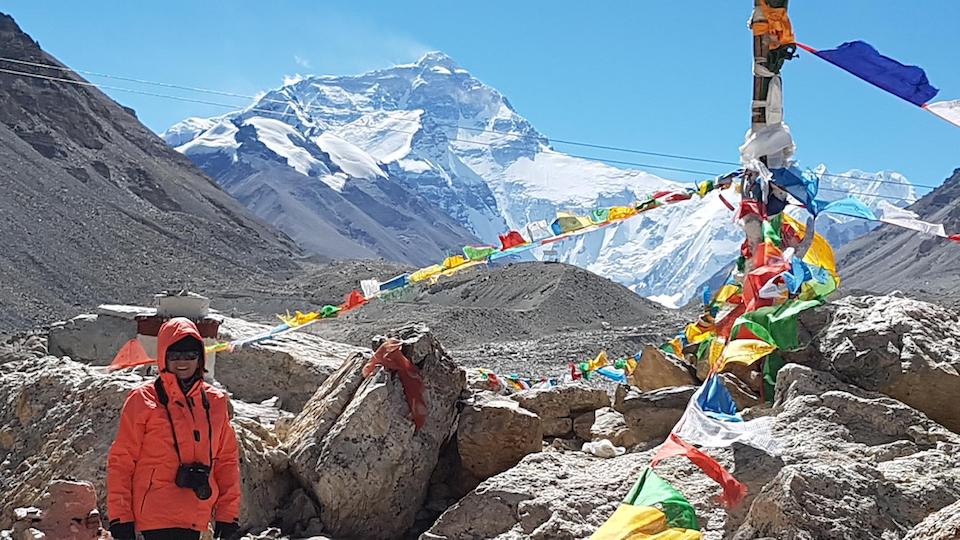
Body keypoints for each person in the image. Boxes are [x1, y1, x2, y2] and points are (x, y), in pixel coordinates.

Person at [107, 317, 241, 540]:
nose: (183, 362)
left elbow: (227, 461)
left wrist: (228, 515)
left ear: (200, 358)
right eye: (175, 355)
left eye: (190, 355)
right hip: (154, 517)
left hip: (197, 515)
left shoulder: (215, 402)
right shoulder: (143, 400)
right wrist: (120, 518)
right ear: (163, 356)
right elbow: (121, 461)